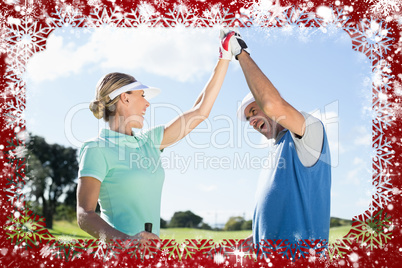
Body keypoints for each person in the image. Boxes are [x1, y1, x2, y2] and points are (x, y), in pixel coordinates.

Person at [76, 31, 235, 245]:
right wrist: (127, 241)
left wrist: (224, 57)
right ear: (125, 97)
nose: (147, 104)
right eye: (142, 96)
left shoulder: (149, 142)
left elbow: (199, 112)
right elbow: (85, 215)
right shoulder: (97, 149)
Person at [224, 31, 332, 254]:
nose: (252, 121)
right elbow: (266, 230)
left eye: (254, 111)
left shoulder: (310, 132)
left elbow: (274, 104)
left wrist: (240, 53)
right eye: (248, 119)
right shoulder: (273, 154)